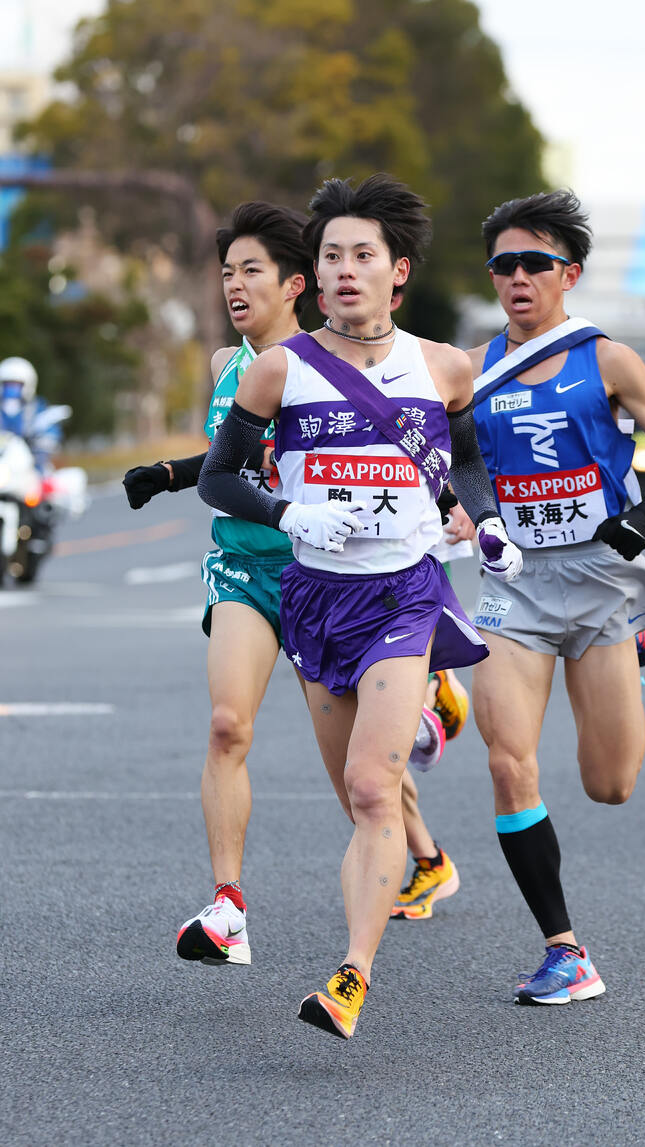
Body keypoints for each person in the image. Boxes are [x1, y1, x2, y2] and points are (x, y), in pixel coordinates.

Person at [198, 173, 522, 1039]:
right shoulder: (277, 370)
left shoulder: (445, 367)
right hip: (311, 596)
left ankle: (352, 973)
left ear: (397, 272)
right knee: (354, 793)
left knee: (375, 787)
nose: (344, 270)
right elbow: (217, 476)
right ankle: (400, 854)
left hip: (402, 594)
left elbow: (475, 461)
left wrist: (483, 523)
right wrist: (288, 510)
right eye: (332, 254)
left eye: (362, 256)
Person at [122, 200, 461, 968]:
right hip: (246, 566)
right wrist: (170, 473)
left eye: (250, 272)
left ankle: (426, 847)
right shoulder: (229, 366)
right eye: (226, 274)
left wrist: (457, 507)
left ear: (293, 285)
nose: (233, 287)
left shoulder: (331, 366)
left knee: (360, 781)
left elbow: (418, 456)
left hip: (333, 579)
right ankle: (228, 904)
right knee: (225, 725)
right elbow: (231, 463)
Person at [459, 189, 645, 1005]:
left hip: (601, 582)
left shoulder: (608, 358)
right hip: (516, 587)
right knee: (506, 760)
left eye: (535, 263)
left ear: (570, 274)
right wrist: (482, 516)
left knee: (609, 783)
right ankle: (564, 949)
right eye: (504, 265)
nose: (517, 277)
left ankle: (635, 644)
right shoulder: (474, 368)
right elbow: (454, 462)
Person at [0, 357, 62, 471]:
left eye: (16, 385)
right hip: (3, 463)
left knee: (43, 480)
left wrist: (42, 444)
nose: (11, 389)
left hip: (29, 465)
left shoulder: (37, 408)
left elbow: (50, 432)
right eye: (7, 384)